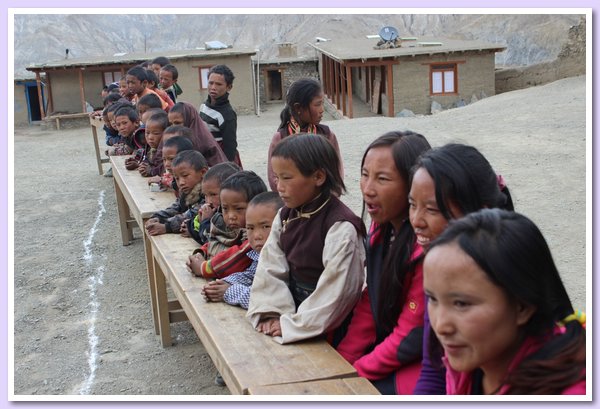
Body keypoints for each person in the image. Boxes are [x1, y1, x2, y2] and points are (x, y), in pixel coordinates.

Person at [423, 208, 586, 395]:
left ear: (522, 307)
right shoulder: (475, 362)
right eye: (433, 299)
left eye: (461, 304)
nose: (441, 326)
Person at [409, 143, 515, 395]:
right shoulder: (441, 273)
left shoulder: (509, 280)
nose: (416, 220)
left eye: (432, 209)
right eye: (412, 204)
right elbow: (433, 370)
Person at [335, 131, 432, 395]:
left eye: (382, 179)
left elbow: (411, 334)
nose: (368, 189)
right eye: (365, 175)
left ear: (415, 184)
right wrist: (342, 362)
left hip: (430, 358)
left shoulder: (428, 248)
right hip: (394, 347)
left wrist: (356, 372)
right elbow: (371, 302)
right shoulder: (382, 232)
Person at [246, 133, 365, 344]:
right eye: (276, 177)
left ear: (318, 177)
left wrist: (293, 325)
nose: (279, 186)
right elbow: (270, 267)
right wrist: (274, 312)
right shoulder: (285, 216)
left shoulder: (341, 227)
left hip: (328, 324)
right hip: (290, 311)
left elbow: (337, 292)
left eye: (287, 178)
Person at [202, 192, 284, 309]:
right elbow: (250, 275)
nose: (256, 235)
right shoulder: (260, 253)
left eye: (265, 227)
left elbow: (267, 300)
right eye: (250, 228)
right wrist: (225, 283)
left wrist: (228, 291)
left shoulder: (284, 258)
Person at [186, 170, 266, 279]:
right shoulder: (223, 224)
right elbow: (215, 241)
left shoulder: (255, 237)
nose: (231, 216)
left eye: (239, 209)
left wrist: (203, 268)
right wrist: (200, 254)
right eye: (225, 208)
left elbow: (235, 257)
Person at [266, 78, 343, 191]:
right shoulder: (281, 138)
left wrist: (330, 196)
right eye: (317, 104)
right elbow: (274, 178)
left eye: (322, 104)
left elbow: (337, 171)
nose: (322, 110)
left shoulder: (327, 135)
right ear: (298, 108)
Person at [145, 150, 208, 236]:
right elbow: (177, 206)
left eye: (185, 176)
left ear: (203, 172)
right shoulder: (188, 189)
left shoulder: (208, 192)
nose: (181, 182)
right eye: (177, 178)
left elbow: (193, 213)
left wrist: (167, 227)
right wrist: (158, 217)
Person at [185, 162, 241, 245]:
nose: (208, 201)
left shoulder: (230, 217)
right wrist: (195, 225)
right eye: (205, 195)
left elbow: (210, 242)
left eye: (213, 194)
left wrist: (205, 222)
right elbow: (201, 238)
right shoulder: (214, 210)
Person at [199, 64, 242, 166]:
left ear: (229, 87)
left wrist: (226, 167)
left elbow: (230, 147)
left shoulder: (227, 114)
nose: (213, 87)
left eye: (219, 84)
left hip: (219, 161)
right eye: (211, 83)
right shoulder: (203, 106)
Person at [168, 102, 227, 167]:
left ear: (189, 120)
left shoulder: (199, 140)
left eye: (177, 123)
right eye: (171, 124)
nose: (173, 127)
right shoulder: (176, 137)